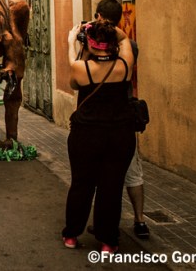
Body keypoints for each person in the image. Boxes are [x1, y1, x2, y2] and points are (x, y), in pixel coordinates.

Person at [62, 20, 135, 253]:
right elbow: (124, 38)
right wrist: (105, 27)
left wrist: (72, 42)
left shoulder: (80, 68)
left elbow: (74, 84)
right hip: (119, 136)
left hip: (86, 135)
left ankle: (72, 235)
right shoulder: (125, 65)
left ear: (90, 44)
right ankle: (107, 241)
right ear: (111, 43)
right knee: (111, 188)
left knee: (81, 184)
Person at [94, 0, 150, 240]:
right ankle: (140, 220)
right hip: (123, 116)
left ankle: (105, 225)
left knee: (103, 175)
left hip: (100, 119)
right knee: (133, 171)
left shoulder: (94, 45)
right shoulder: (130, 46)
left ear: (99, 17)